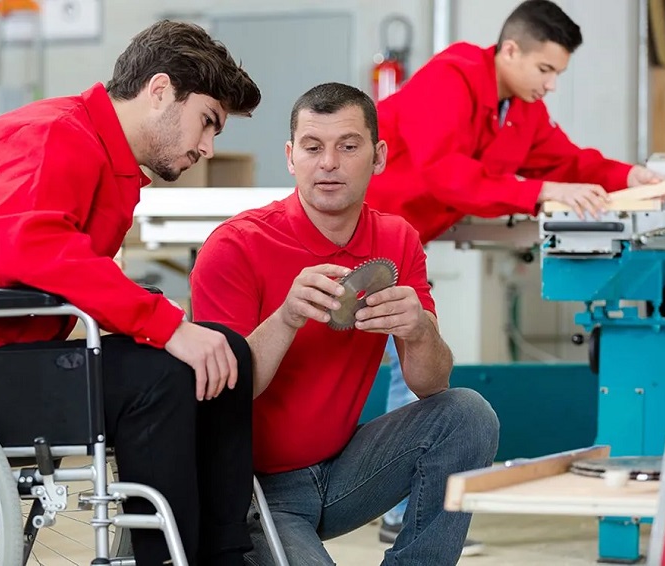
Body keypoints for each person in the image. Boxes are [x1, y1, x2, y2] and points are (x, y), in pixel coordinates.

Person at [0, 20, 261, 566]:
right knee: (165, 376)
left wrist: (170, 325)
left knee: (226, 353)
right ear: (160, 91)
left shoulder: (99, 149)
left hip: (8, 345)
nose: (208, 148)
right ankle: (170, 559)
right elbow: (28, 244)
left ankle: (223, 553)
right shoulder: (53, 133)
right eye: (207, 123)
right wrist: (166, 325)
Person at [366, 0, 664, 547]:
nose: (550, 84)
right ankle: (382, 511)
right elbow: (448, 175)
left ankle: (397, 513)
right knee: (401, 375)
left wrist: (630, 174)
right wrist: (540, 193)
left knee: (406, 372)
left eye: (559, 74)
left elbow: (565, 161)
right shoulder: (450, 78)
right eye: (545, 70)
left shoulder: (521, 107)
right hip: (365, 240)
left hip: (406, 246)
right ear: (510, 50)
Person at [190, 82, 500, 565]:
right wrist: (287, 316)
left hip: (343, 473)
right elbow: (223, 396)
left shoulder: (397, 239)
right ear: (292, 157)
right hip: (253, 492)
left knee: (466, 414)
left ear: (377, 157)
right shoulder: (235, 247)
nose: (329, 163)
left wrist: (419, 329)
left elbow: (429, 384)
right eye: (313, 148)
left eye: (348, 146)